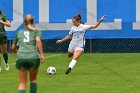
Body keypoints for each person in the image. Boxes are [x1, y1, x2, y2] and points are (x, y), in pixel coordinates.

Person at [12, 14, 45, 93]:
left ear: (24, 23)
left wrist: (17, 53)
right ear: (33, 22)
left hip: (21, 57)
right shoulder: (36, 31)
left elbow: (13, 47)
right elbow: (38, 41)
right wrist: (42, 54)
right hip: (33, 57)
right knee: (33, 80)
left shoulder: (19, 32)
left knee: (22, 83)